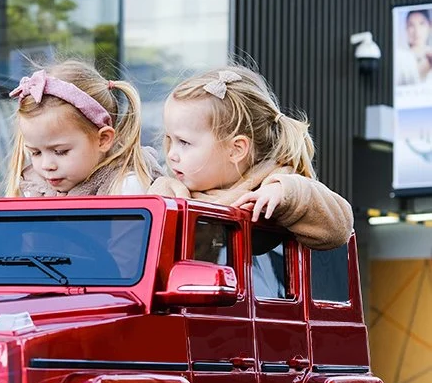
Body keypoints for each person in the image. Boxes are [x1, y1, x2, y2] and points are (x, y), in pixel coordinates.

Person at [150, 65, 354, 251]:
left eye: (184, 142)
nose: (171, 155)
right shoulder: (172, 192)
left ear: (236, 149)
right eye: (170, 139)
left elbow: (340, 226)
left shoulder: (272, 184)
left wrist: (286, 194)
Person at [3, 59, 165, 198]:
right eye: (35, 153)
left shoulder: (125, 189)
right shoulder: (34, 189)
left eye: (60, 151)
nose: (46, 165)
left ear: (103, 139)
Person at [395, 8, 432, 86]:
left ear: (429, 26)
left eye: (422, 24)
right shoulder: (398, 57)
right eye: (411, 25)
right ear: (406, 28)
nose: (417, 31)